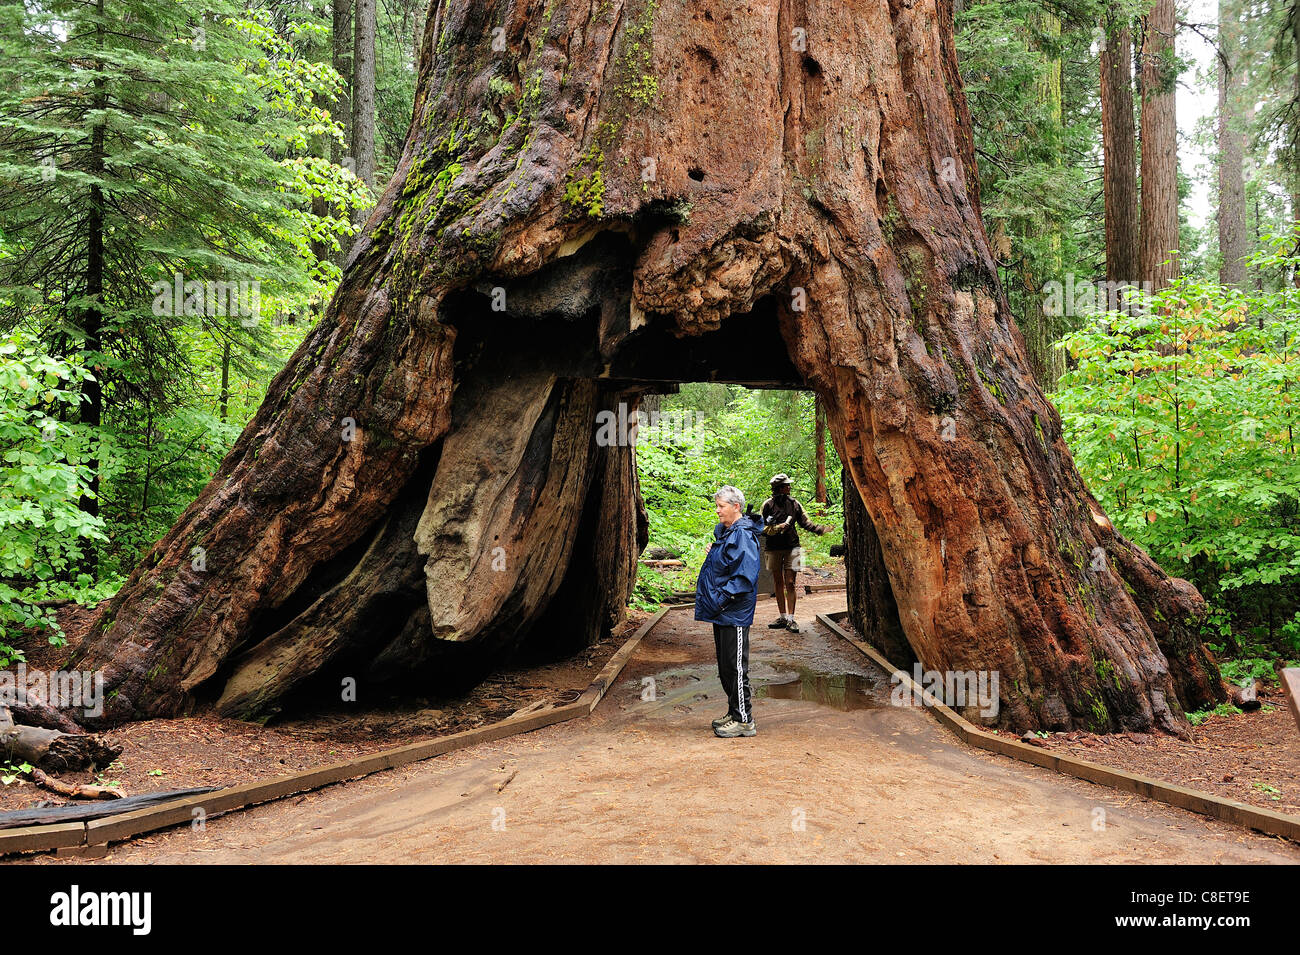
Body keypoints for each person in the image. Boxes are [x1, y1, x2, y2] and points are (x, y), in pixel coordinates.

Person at [694, 485, 762, 738]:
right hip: (722, 611)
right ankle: (735, 711)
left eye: (721, 506)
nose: (717, 511)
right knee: (725, 666)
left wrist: (720, 600)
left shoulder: (742, 535)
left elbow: (744, 577)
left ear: (736, 507)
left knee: (736, 667)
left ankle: (745, 720)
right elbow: (723, 566)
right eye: (717, 506)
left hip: (734, 612)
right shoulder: (727, 533)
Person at [760, 473, 833, 633]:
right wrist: (778, 528)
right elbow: (760, 527)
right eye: (787, 485)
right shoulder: (767, 505)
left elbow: (806, 522)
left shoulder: (795, 504)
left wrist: (821, 529)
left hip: (793, 547)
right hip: (773, 549)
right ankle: (782, 616)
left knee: (791, 582)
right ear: (779, 488)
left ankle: (791, 620)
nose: (789, 487)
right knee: (778, 583)